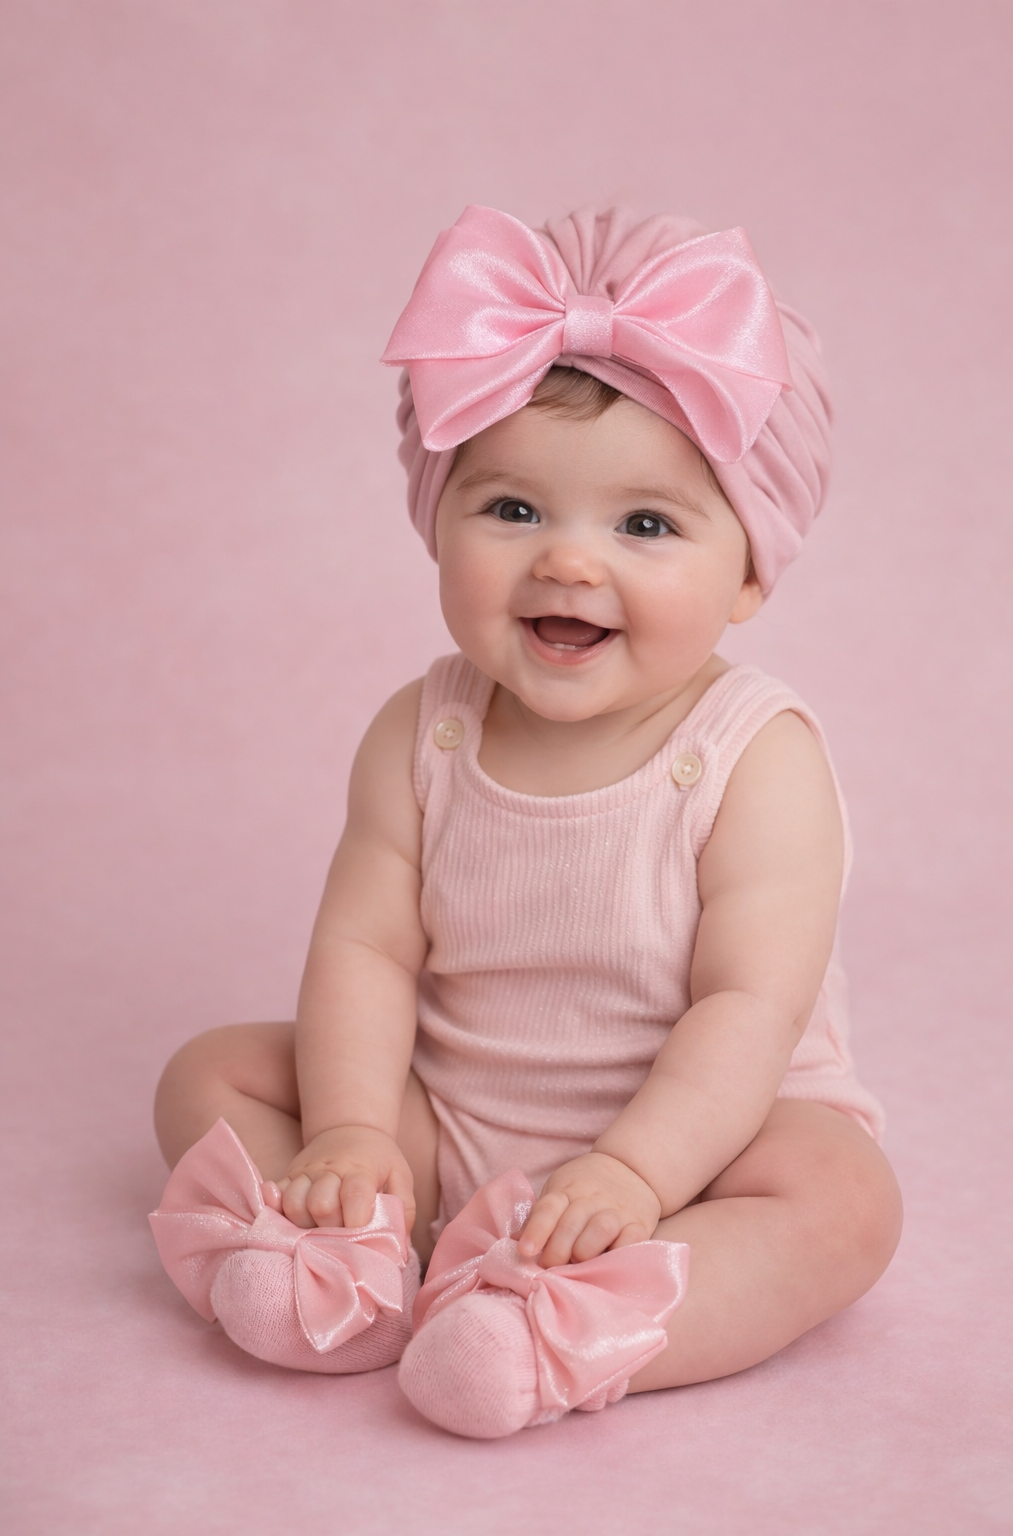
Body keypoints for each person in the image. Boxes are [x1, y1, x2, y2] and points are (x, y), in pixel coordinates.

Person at [149, 205, 902, 1438]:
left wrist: (636, 1173)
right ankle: (363, 1263)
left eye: (645, 525)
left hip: (692, 1151)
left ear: (753, 570)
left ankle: (562, 1335)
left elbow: (746, 1009)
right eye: (510, 511)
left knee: (842, 1198)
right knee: (211, 1071)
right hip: (444, 1121)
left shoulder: (752, 758)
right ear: (436, 519)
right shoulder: (424, 729)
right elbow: (367, 950)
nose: (567, 563)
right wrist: (348, 1127)